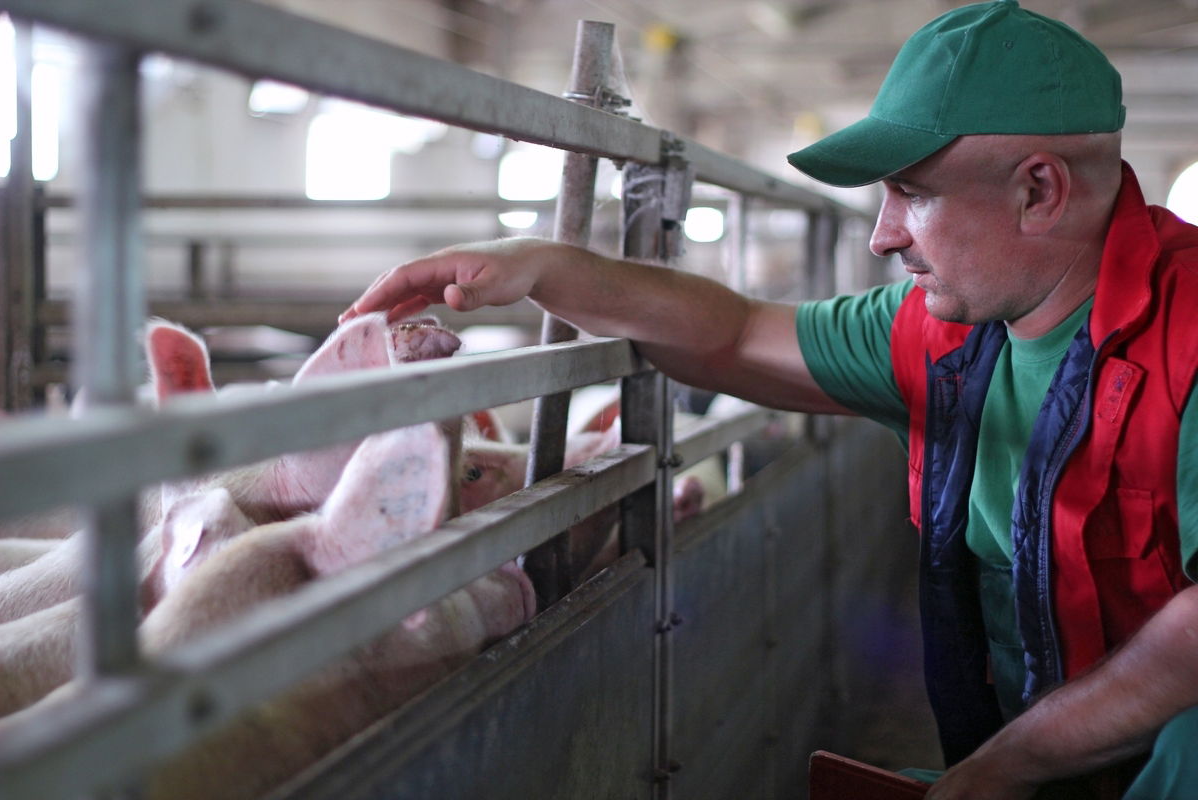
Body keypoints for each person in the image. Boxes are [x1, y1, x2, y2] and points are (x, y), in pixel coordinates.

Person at [341, 1, 1198, 797]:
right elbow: (733, 333)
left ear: (1038, 191)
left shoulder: (1189, 331)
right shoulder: (944, 335)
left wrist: (1010, 763)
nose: (882, 234)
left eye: (913, 192)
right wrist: (541, 266)